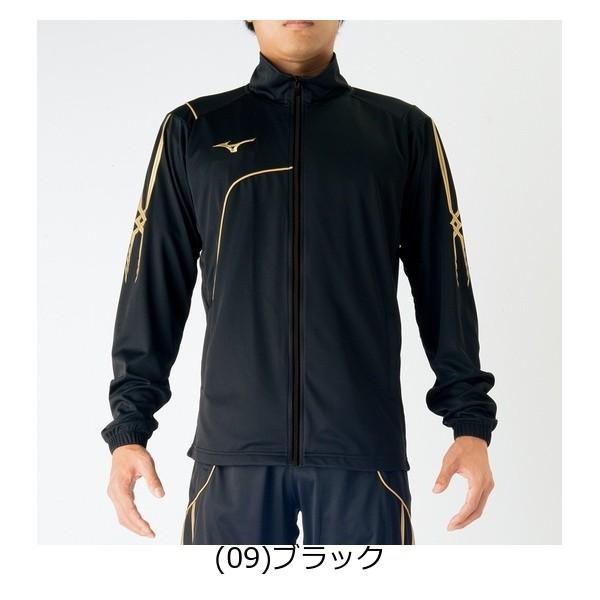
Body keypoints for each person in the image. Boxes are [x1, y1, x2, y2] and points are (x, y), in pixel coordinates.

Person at [101, 19, 498, 545]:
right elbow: (153, 285)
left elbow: (445, 286)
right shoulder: (193, 129)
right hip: (232, 458)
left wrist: (469, 422)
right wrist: (129, 428)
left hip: (363, 455)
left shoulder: (403, 131)